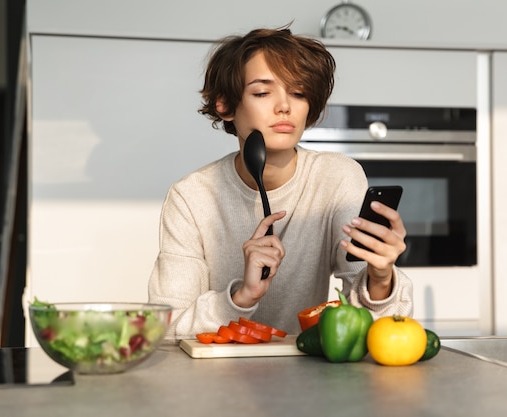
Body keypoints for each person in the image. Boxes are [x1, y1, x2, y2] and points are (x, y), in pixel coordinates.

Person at [148, 26, 413, 341]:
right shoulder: (191, 196)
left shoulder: (337, 177)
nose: (285, 106)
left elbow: (375, 329)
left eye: (298, 93)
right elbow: (165, 332)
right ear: (225, 105)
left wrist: (381, 278)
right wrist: (241, 297)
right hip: (214, 379)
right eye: (262, 92)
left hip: (309, 374)